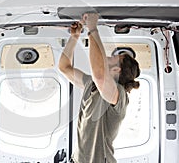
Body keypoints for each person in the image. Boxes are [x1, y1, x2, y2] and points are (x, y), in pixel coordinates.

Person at [58, 13, 141, 163]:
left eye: (115, 58)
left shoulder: (119, 95)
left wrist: (92, 28)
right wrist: (74, 37)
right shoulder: (92, 83)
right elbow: (64, 67)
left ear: (117, 70)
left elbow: (100, 75)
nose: (108, 56)